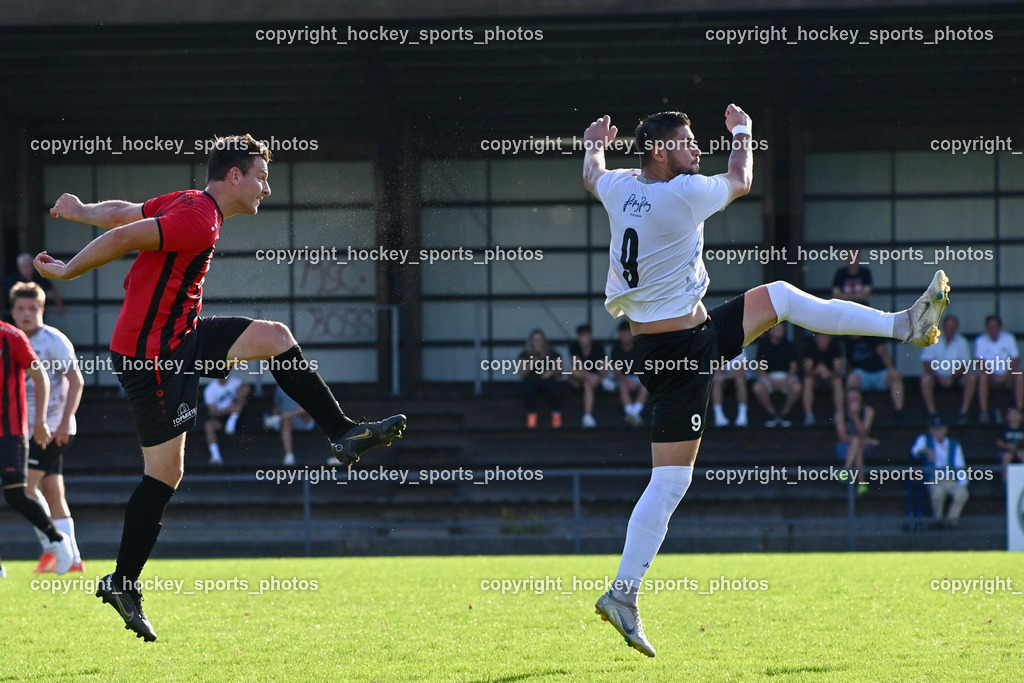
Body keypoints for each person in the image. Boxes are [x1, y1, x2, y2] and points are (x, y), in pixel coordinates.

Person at [582, 106, 948, 657]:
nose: (696, 149)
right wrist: (743, 133)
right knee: (670, 483)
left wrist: (593, 145)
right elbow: (742, 178)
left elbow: (592, 176)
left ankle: (903, 325)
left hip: (680, 337)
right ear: (659, 152)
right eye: (686, 142)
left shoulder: (620, 186)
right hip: (681, 351)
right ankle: (623, 594)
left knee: (780, 297)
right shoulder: (680, 194)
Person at [36, 134, 406, 642]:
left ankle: (342, 432)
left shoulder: (190, 203)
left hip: (181, 337)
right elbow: (124, 237)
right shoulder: (198, 217)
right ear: (235, 176)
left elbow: (125, 213)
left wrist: (79, 211)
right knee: (165, 473)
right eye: (262, 176)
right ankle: (122, 581)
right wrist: (67, 270)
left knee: (276, 338)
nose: (267, 187)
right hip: (154, 357)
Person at [10, 282, 85, 572]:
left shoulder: (53, 340)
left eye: (32, 308)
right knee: (52, 490)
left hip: (51, 428)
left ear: (42, 310)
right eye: (20, 309)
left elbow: (76, 380)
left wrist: (65, 420)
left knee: (25, 489)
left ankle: (53, 548)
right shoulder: (11, 339)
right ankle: (74, 558)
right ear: (13, 311)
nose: (26, 314)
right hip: (23, 430)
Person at [0, 312, 74, 574]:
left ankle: (57, 540)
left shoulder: (11, 337)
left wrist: (41, 420)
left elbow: (40, 376)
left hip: (10, 431)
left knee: (17, 494)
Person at [911, 417, 969, 526]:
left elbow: (960, 465)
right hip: (933, 478)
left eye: (940, 429)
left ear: (945, 430)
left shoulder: (954, 445)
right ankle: (938, 520)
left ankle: (951, 521)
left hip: (949, 478)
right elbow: (914, 451)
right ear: (930, 430)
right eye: (935, 429)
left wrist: (962, 483)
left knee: (962, 493)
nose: (938, 432)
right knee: (938, 493)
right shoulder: (924, 440)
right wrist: (926, 451)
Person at [920, 315, 976, 424]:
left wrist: (952, 377)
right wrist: (938, 377)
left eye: (952, 326)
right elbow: (927, 362)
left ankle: (964, 412)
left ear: (956, 328)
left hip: (956, 377)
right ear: (943, 326)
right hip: (936, 376)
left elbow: (965, 364)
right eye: (948, 326)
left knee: (971, 378)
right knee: (925, 379)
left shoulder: (962, 342)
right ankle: (932, 413)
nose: (950, 329)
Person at [975, 314, 1022, 424]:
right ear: (987, 328)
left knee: (1019, 375)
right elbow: (980, 362)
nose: (993, 329)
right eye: (990, 327)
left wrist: (1007, 375)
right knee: (982, 378)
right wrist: (993, 376)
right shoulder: (980, 340)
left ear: (1000, 327)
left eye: (995, 326)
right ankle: (984, 412)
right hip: (990, 377)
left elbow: (1015, 359)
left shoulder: (1009, 338)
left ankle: (1020, 409)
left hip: (1007, 375)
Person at [751, 323, 801, 427]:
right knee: (757, 387)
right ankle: (772, 414)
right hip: (769, 378)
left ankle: (785, 414)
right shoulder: (764, 346)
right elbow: (759, 367)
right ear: (770, 331)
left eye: (781, 329)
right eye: (777, 329)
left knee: (797, 387)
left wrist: (786, 379)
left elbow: (794, 367)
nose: (779, 332)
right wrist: (770, 380)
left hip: (786, 377)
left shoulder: (789, 345)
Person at [845, 336, 905, 422]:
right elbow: (849, 363)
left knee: (895, 375)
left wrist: (891, 368)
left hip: (879, 373)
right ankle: (852, 413)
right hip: (862, 375)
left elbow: (883, 353)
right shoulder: (847, 339)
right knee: (851, 379)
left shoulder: (872, 334)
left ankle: (899, 412)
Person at [264, 384, 319, 466]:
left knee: (307, 408)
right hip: (287, 422)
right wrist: (273, 418)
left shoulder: (307, 385)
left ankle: (280, 418)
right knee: (286, 421)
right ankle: (289, 455)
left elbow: (311, 406)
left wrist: (278, 418)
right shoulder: (280, 387)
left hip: (304, 420)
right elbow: (277, 407)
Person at [202, 373, 251, 465]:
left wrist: (235, 400)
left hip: (237, 417)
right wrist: (228, 410)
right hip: (220, 418)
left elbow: (246, 388)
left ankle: (231, 423)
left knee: (241, 402)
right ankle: (215, 456)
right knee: (208, 426)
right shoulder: (210, 389)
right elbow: (213, 411)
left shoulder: (235, 382)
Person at [834, 389, 876, 495]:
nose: (853, 401)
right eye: (851, 399)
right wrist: (860, 440)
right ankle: (862, 484)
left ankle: (845, 470)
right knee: (857, 444)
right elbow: (842, 436)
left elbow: (864, 433)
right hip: (845, 446)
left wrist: (856, 417)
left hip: (864, 446)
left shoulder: (868, 411)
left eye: (856, 399)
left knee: (858, 445)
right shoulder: (840, 414)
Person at [517, 329, 562, 428]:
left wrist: (551, 371)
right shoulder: (525, 354)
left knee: (552, 387)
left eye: (540, 340)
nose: (538, 343)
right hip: (532, 380)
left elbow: (560, 371)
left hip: (547, 380)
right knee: (529, 387)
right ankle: (531, 414)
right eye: (535, 340)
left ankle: (556, 414)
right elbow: (521, 373)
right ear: (531, 342)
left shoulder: (552, 353)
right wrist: (532, 362)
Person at [567, 324, 607, 428]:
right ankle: (587, 416)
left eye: (585, 336)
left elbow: (604, 367)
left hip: (592, 380)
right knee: (570, 371)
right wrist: (590, 376)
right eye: (581, 336)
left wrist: (600, 377)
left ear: (591, 336)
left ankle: (587, 415)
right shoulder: (574, 346)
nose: (583, 339)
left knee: (587, 383)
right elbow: (577, 364)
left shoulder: (598, 347)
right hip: (577, 379)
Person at [802, 332, 844, 427]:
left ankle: (838, 415)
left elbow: (838, 371)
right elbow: (807, 370)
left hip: (830, 379)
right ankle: (809, 415)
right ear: (815, 338)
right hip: (815, 380)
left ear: (829, 338)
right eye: (820, 337)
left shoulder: (835, 347)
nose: (822, 340)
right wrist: (816, 371)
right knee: (807, 381)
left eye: (825, 337)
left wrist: (828, 373)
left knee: (838, 381)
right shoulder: (810, 347)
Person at [610, 320, 648, 427]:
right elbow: (617, 372)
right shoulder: (615, 350)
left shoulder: (639, 348)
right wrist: (627, 381)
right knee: (622, 386)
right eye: (623, 333)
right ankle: (632, 413)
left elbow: (645, 369)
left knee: (646, 385)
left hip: (639, 378)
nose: (625, 336)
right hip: (623, 379)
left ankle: (633, 413)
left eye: (628, 332)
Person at [711, 352, 748, 427]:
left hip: (734, 378)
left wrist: (725, 377)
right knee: (717, 381)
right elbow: (717, 371)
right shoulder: (718, 347)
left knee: (740, 381)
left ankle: (742, 415)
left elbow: (741, 372)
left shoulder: (741, 348)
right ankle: (718, 416)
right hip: (723, 379)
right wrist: (721, 377)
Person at [996, 407, 1024, 479]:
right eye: (1011, 414)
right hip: (1007, 450)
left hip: (1020, 449)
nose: (1013, 416)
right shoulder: (1004, 428)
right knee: (1006, 457)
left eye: (1015, 414)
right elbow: (999, 442)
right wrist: (1008, 446)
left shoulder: (1022, 428)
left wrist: (1018, 447)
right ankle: (1004, 480)